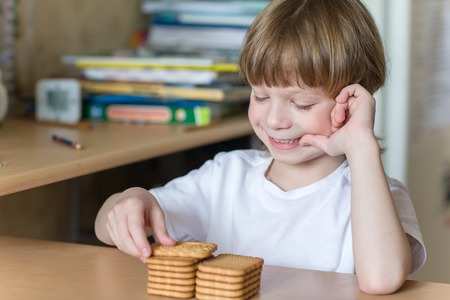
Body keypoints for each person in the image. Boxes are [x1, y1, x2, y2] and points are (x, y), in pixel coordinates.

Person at [95, 0, 426, 294]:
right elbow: (105, 227)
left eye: (302, 103)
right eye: (261, 96)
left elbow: (380, 280)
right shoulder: (224, 178)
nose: (275, 120)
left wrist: (360, 145)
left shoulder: (378, 196)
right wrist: (131, 199)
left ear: (353, 101)